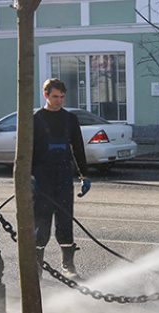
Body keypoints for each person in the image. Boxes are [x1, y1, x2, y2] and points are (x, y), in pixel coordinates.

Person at [32, 78, 91, 279]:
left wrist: (84, 175)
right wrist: (28, 177)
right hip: (41, 179)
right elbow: (25, 151)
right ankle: (36, 267)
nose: (59, 100)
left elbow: (79, 148)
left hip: (64, 177)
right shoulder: (35, 119)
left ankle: (68, 265)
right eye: (55, 96)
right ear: (46, 95)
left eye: (62, 97)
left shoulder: (70, 119)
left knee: (65, 222)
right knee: (41, 224)